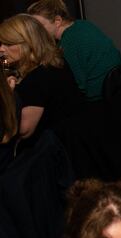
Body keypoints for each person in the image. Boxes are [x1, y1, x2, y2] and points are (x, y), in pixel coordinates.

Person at [0, 14, 83, 148]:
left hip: (58, 151)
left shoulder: (38, 78)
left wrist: (7, 95)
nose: (1, 49)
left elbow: (23, 131)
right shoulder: (54, 63)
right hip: (73, 141)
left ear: (28, 44)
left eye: (8, 44)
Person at [27, 0, 121, 101]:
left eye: (39, 27)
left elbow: (76, 87)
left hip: (101, 99)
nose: (36, 32)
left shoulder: (69, 42)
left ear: (57, 21)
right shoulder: (82, 24)